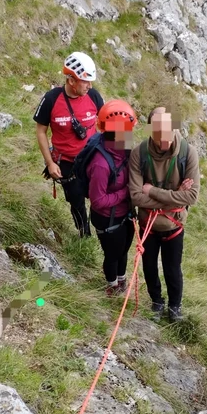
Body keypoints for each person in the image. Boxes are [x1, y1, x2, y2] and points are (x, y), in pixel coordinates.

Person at [129, 106, 200, 322]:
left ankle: (175, 306)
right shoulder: (139, 154)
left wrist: (152, 191)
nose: (164, 140)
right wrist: (175, 195)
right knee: (149, 267)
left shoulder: (188, 154)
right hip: (148, 225)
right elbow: (135, 197)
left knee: (172, 269)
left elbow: (192, 197)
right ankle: (157, 302)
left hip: (173, 226)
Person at [34, 52, 104, 238]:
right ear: (71, 80)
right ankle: (85, 236)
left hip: (92, 159)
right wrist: (50, 163)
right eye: (85, 81)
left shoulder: (94, 96)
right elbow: (41, 131)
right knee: (76, 201)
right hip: (66, 162)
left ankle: (104, 232)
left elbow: (106, 126)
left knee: (100, 197)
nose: (89, 86)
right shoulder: (51, 99)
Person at [81, 100, 137, 297]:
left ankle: (122, 281)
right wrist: (126, 193)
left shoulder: (125, 149)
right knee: (113, 255)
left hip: (125, 214)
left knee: (123, 252)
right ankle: (112, 287)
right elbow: (97, 201)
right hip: (107, 218)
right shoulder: (100, 165)